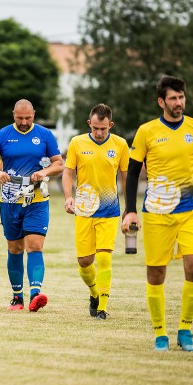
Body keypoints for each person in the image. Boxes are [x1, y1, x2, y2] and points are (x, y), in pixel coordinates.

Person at [122, 76, 193, 352]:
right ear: (161, 102)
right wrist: (130, 210)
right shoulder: (146, 131)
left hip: (191, 210)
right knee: (156, 273)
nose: (179, 103)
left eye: (182, 97)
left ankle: (185, 330)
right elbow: (131, 174)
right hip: (156, 212)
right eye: (173, 98)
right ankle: (160, 333)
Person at [0, 99, 63, 312]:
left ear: (34, 114)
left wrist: (43, 172)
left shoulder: (44, 135)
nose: (24, 122)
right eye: (20, 118)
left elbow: (59, 163)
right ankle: (17, 297)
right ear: (13, 115)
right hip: (10, 200)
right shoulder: (3, 135)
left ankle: (36, 294)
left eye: (28, 118)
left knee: (34, 245)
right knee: (14, 248)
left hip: (36, 200)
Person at [62, 104, 129, 320]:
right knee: (84, 262)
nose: (99, 133)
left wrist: (130, 208)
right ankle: (93, 292)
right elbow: (68, 173)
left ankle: (102, 307)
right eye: (95, 128)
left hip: (110, 211)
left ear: (110, 125)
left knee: (105, 258)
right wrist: (68, 197)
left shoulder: (120, 145)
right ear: (89, 123)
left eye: (104, 129)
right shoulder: (77, 143)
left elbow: (127, 178)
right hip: (84, 210)